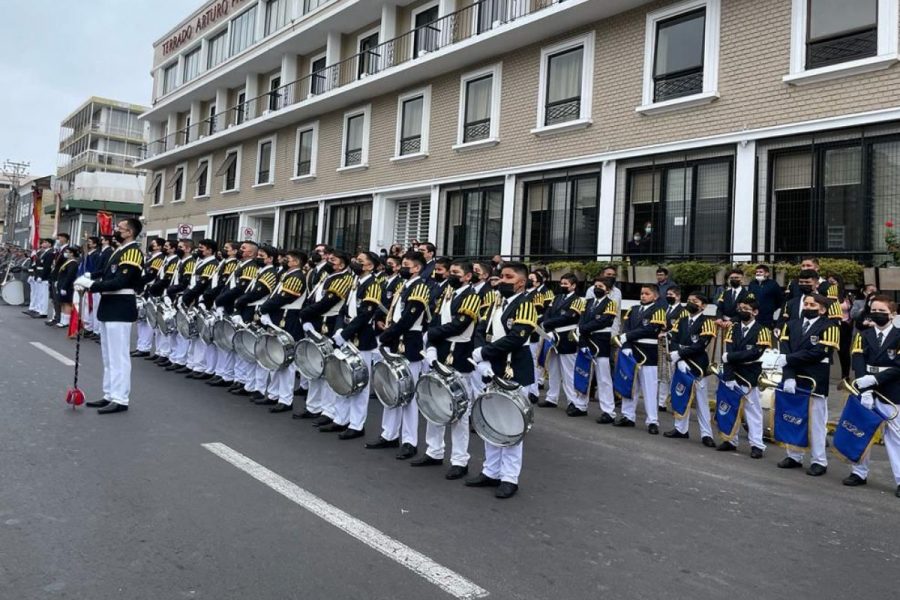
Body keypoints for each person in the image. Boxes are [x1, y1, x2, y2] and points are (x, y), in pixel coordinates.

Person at [467, 261, 537, 499]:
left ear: (521, 282)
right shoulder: (497, 303)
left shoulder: (526, 304)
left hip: (514, 368)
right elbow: (480, 330)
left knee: (512, 425)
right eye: (501, 276)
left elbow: (517, 338)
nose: (502, 280)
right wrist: (482, 357)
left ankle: (509, 477)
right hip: (492, 367)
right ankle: (491, 471)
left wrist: (485, 353)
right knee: (492, 420)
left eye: (508, 277)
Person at [417, 260, 481, 477]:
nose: (451, 275)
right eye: (450, 272)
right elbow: (435, 320)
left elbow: (459, 325)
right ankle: (434, 451)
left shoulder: (472, 296)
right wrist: (432, 346)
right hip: (441, 353)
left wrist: (432, 335)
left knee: (460, 411)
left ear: (467, 276)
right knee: (435, 405)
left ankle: (460, 461)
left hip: (460, 355)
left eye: (456, 273)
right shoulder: (447, 293)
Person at [75, 218, 145, 414]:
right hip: (109, 306)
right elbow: (107, 275)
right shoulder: (118, 250)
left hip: (120, 306)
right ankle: (109, 394)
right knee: (108, 356)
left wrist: (92, 286)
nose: (116, 231)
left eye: (119, 229)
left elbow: (119, 281)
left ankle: (121, 398)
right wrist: (89, 277)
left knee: (119, 356)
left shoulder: (132, 251)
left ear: (129, 232)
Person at [367, 251, 431, 459]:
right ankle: (389, 434)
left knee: (408, 394)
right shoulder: (405, 285)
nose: (400, 267)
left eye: (405, 264)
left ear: (417, 268)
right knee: (391, 390)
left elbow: (408, 319)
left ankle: (410, 441)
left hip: (409, 341)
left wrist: (387, 335)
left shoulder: (420, 286)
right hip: (396, 338)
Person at [774, 294, 840, 476]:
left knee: (817, 423)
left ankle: (819, 460)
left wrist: (788, 359)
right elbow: (783, 352)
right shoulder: (790, 325)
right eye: (806, 303)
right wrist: (788, 376)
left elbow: (818, 353)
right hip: (793, 377)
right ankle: (794, 456)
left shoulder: (830, 327)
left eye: (812, 304)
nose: (808, 306)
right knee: (793, 417)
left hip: (815, 380)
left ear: (822, 309)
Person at [843, 296, 900, 497]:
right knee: (861, 432)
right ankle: (858, 472)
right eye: (873, 310)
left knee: (895, 438)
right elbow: (857, 359)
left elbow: (898, 367)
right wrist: (864, 387)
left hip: (891, 391)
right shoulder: (864, 335)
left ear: (892, 314)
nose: (876, 314)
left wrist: (874, 380)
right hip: (866, 388)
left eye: (882, 311)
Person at [327, 251, 381, 437]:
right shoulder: (354, 281)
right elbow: (343, 309)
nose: (355, 263)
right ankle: (340, 419)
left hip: (362, 338)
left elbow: (366, 315)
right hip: (346, 334)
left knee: (360, 383)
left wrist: (347, 332)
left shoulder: (373, 285)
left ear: (370, 266)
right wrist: (339, 330)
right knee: (342, 377)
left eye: (360, 261)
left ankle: (356, 425)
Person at [297, 250, 354, 423]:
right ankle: (313, 406)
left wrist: (304, 314)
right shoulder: (327, 276)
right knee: (314, 366)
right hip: (316, 321)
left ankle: (328, 411)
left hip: (329, 322)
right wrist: (306, 316)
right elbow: (313, 297)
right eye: (328, 259)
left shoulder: (344, 279)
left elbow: (327, 302)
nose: (329, 262)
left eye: (333, 260)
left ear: (342, 264)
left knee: (329, 369)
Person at [717, 297, 771, 458]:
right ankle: (730, 439)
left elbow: (755, 353)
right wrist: (728, 376)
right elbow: (728, 352)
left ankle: (757, 445)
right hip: (732, 373)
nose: (742, 311)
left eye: (746, 309)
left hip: (749, 374)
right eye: (740, 308)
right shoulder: (733, 328)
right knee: (730, 408)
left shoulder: (763, 330)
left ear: (755, 312)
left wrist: (731, 357)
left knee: (752, 412)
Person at [257, 249, 307, 413]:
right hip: (278, 317)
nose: (284, 261)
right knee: (276, 359)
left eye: (288, 259)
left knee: (287, 362)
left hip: (289, 319)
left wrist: (263, 308)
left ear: (296, 262)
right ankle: (273, 394)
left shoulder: (297, 277)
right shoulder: (287, 275)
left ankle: (285, 399)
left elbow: (283, 297)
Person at [664, 293, 717, 447]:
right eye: (689, 300)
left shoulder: (707, 322)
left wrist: (679, 354)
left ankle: (707, 434)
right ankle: (680, 429)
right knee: (680, 395)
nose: (691, 303)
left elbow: (700, 346)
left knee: (701, 402)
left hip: (697, 366)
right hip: (680, 364)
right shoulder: (681, 320)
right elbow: (673, 339)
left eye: (695, 301)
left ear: (703, 306)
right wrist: (677, 356)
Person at [615, 284, 666, 434]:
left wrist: (627, 336)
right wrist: (626, 346)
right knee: (630, 384)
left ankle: (652, 421)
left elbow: (651, 329)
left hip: (648, 353)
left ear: (655, 296)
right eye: (642, 293)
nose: (643, 296)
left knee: (650, 388)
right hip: (632, 351)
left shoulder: (659, 311)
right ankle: (628, 416)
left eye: (647, 294)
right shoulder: (633, 309)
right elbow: (626, 329)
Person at [539, 273, 587, 415]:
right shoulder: (557, 298)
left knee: (568, 371)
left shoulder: (578, 300)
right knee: (552, 369)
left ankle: (573, 401)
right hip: (552, 335)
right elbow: (548, 312)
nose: (563, 286)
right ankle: (551, 398)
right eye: (561, 283)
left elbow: (568, 317)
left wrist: (546, 323)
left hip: (567, 337)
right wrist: (546, 326)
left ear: (573, 286)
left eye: (566, 284)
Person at [579, 276, 618, 424]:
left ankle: (608, 411)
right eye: (595, 285)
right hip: (586, 340)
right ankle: (580, 405)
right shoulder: (587, 302)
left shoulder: (611, 304)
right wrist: (582, 333)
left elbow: (604, 321)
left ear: (607, 290)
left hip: (601, 342)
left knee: (603, 378)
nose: (597, 288)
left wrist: (583, 328)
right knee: (584, 373)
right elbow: (582, 320)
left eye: (600, 286)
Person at [203, 241, 242, 386]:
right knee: (218, 340)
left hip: (227, 305)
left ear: (234, 252)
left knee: (226, 341)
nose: (223, 250)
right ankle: (219, 371)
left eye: (227, 248)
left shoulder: (232, 264)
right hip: (218, 303)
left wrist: (217, 301)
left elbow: (224, 286)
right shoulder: (224, 263)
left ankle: (226, 374)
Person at [132, 237, 165, 358]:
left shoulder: (160, 258)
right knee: (141, 319)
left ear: (160, 247)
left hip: (148, 290)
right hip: (142, 290)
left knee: (147, 320)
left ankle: (145, 347)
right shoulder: (151, 257)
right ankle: (141, 346)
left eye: (154, 244)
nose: (151, 245)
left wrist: (138, 282)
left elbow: (151, 275)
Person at [45, 232, 70, 326]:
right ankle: (56, 317)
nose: (58, 239)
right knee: (54, 298)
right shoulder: (59, 250)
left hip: (59, 276)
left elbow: (63, 264)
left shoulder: (67, 250)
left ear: (65, 239)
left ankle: (59, 318)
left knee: (58, 299)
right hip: (54, 275)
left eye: (60, 238)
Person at [55, 245, 81, 330]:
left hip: (67, 286)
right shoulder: (68, 261)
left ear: (72, 254)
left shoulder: (73, 263)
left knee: (67, 303)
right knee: (62, 302)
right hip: (62, 285)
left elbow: (69, 276)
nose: (66, 253)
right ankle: (62, 320)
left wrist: (64, 287)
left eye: (68, 252)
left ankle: (66, 321)